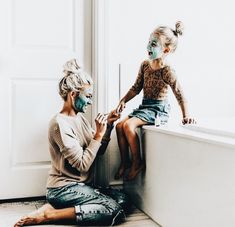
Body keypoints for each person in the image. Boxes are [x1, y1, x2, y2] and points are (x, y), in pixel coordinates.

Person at [14, 59, 129, 227]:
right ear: (73, 94)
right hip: (63, 189)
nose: (90, 101)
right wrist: (97, 135)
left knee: (123, 199)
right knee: (114, 210)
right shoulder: (59, 124)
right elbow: (83, 165)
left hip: (82, 186)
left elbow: (98, 151)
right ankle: (50, 215)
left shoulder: (79, 118)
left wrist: (109, 126)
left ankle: (63, 208)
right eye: (88, 96)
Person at [115, 21, 196, 181]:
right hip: (145, 106)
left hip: (158, 110)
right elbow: (136, 87)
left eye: (154, 44)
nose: (148, 47)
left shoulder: (167, 71)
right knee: (119, 126)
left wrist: (186, 115)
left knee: (128, 125)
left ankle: (138, 162)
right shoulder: (145, 65)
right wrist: (123, 100)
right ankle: (126, 162)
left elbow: (179, 93)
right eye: (149, 42)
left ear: (166, 50)